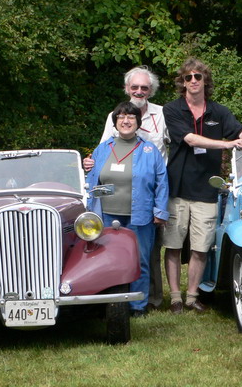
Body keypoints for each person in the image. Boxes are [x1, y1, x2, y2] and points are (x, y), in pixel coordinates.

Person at [162, 58, 242, 314]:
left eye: (198, 77)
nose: (193, 81)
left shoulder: (219, 111)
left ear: (205, 81)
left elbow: (240, 130)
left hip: (208, 189)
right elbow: (190, 139)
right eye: (188, 78)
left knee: (201, 246)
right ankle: (174, 298)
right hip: (177, 187)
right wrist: (227, 145)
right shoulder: (172, 109)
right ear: (182, 83)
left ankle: (192, 296)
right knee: (173, 245)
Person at [83, 66, 170, 311]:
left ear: (137, 122)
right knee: (107, 259)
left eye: (131, 118)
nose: (126, 121)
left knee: (140, 260)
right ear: (115, 122)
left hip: (140, 215)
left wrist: (160, 211)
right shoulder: (102, 149)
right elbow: (93, 180)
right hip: (107, 215)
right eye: (121, 118)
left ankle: (138, 305)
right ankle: (109, 303)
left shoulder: (149, 150)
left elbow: (162, 182)